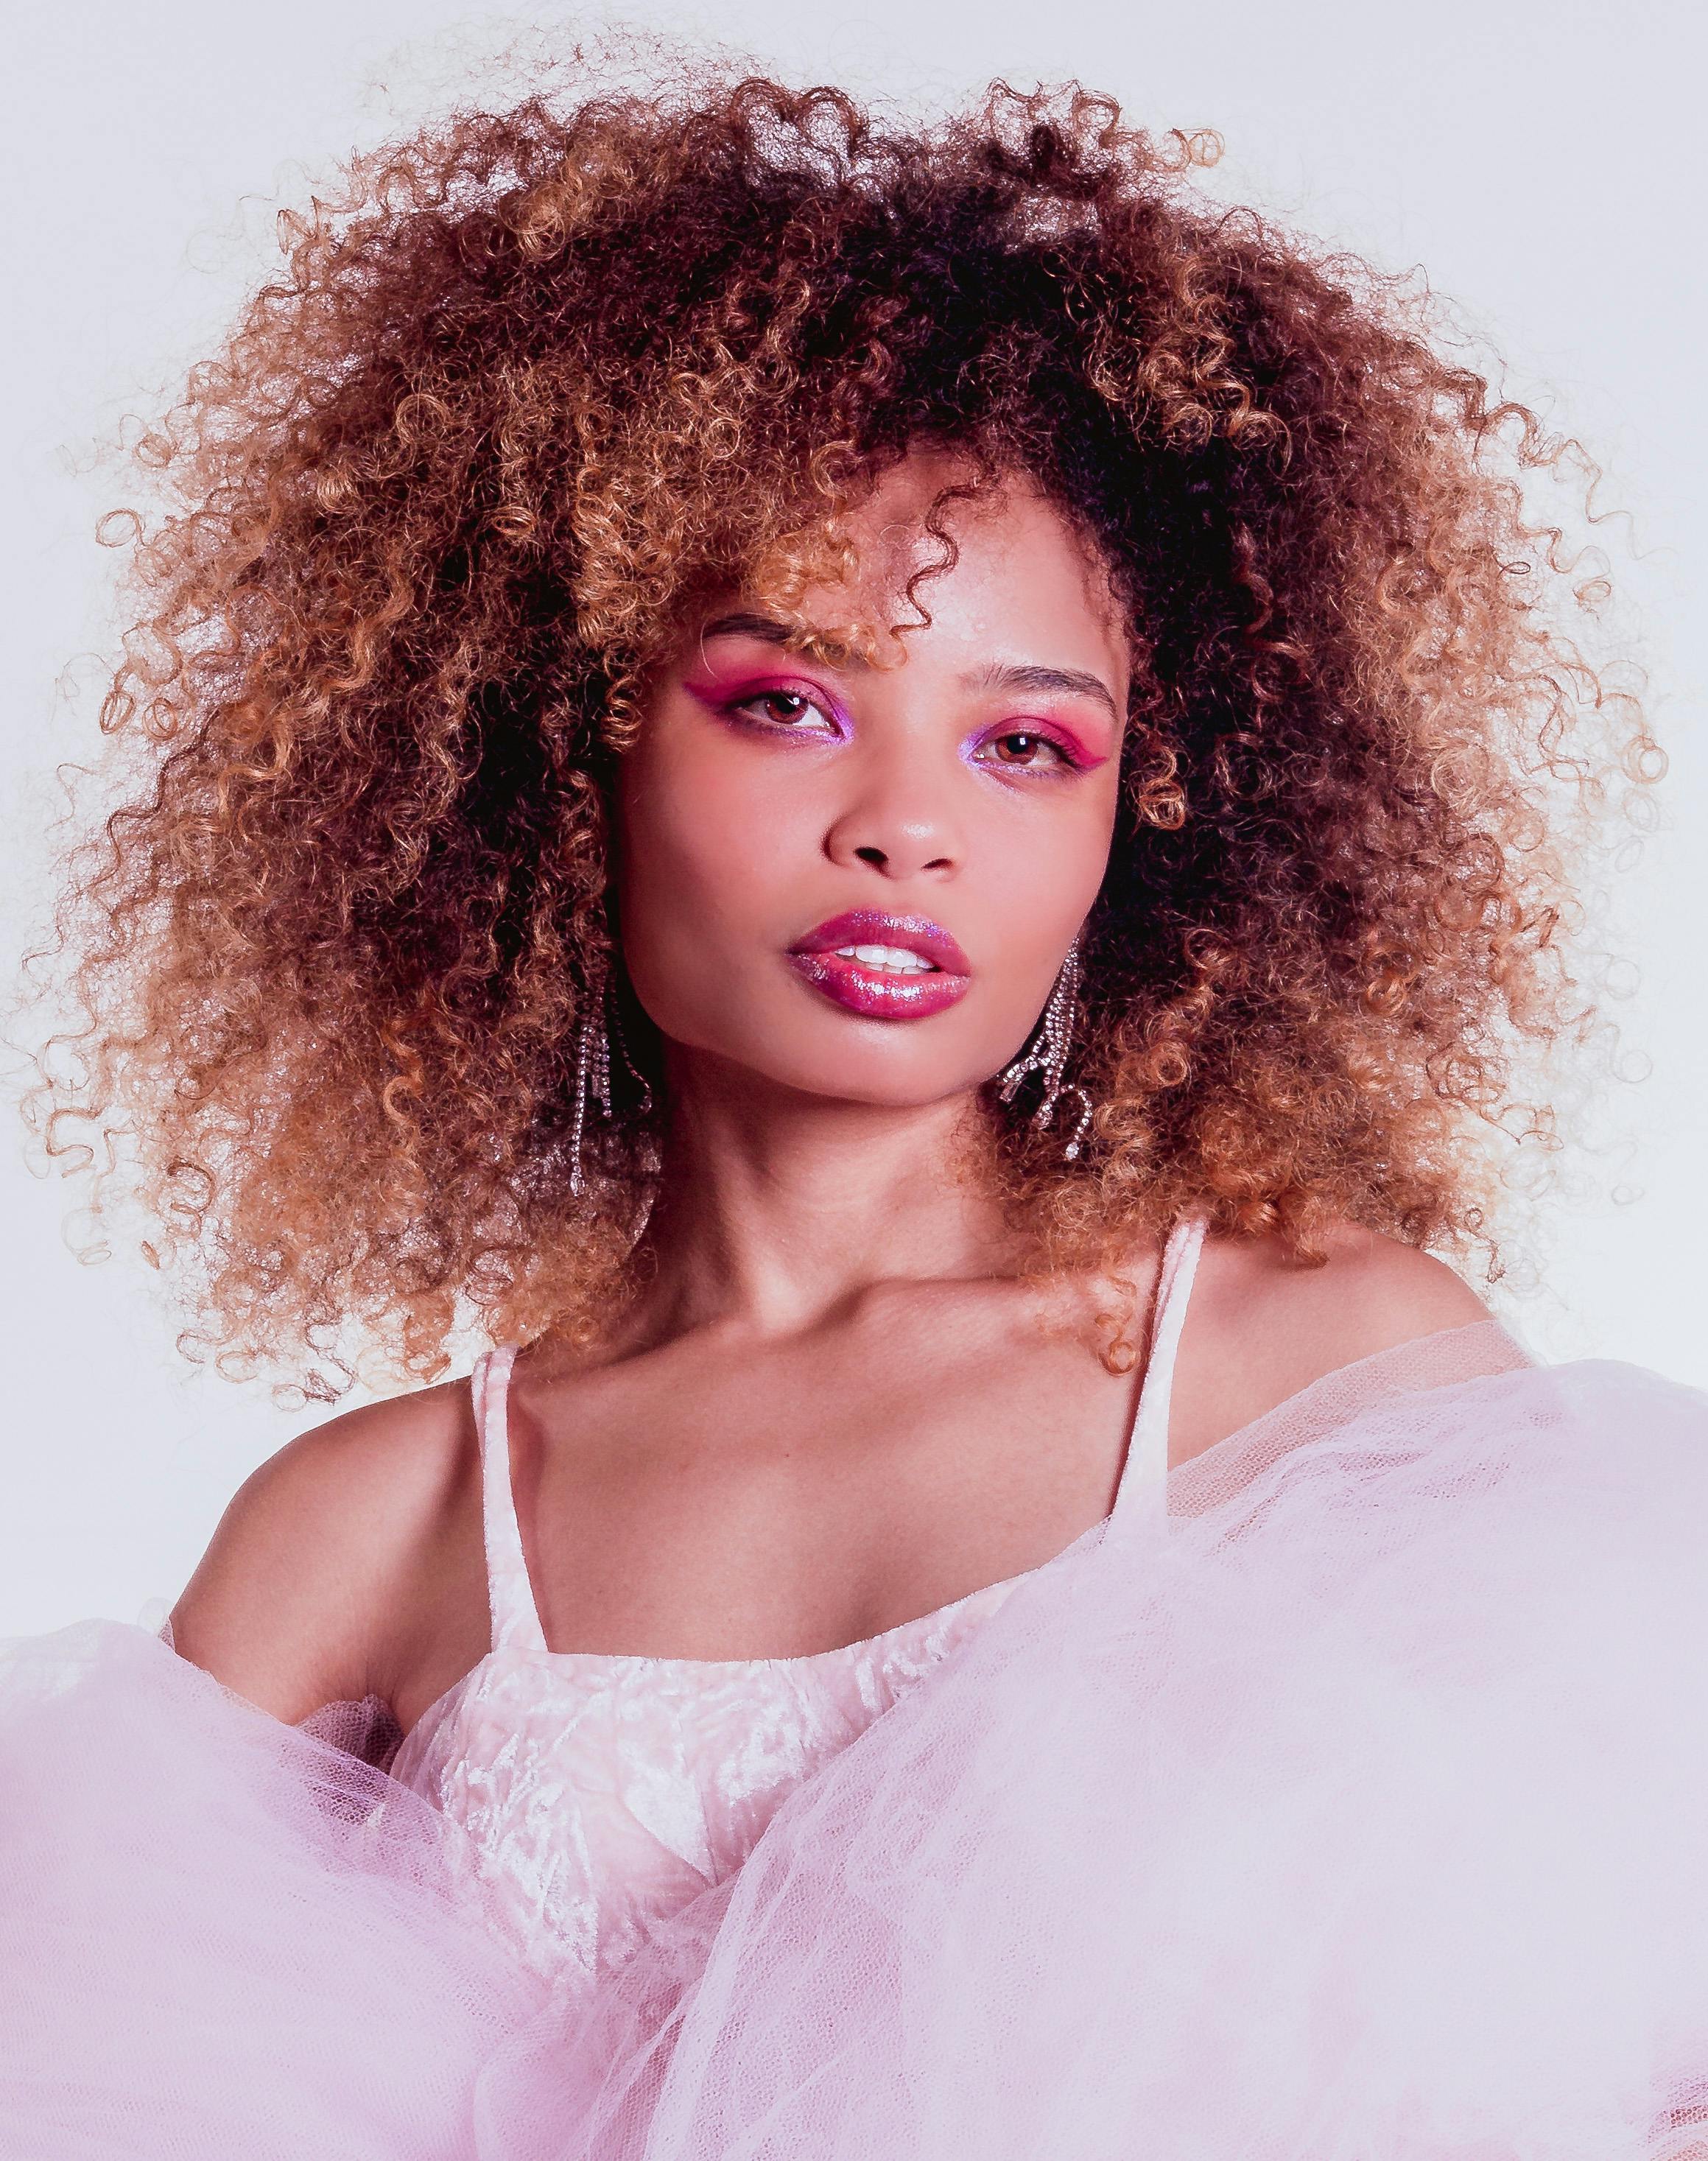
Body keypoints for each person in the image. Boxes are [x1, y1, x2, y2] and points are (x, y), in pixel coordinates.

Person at [6, 56, 1708, 2161]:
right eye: (788, 704)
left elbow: (1639, 2070)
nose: (907, 828)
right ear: (559, 755)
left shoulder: (1320, 1378)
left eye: (1027, 747)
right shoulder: (373, 1531)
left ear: (1148, 822)